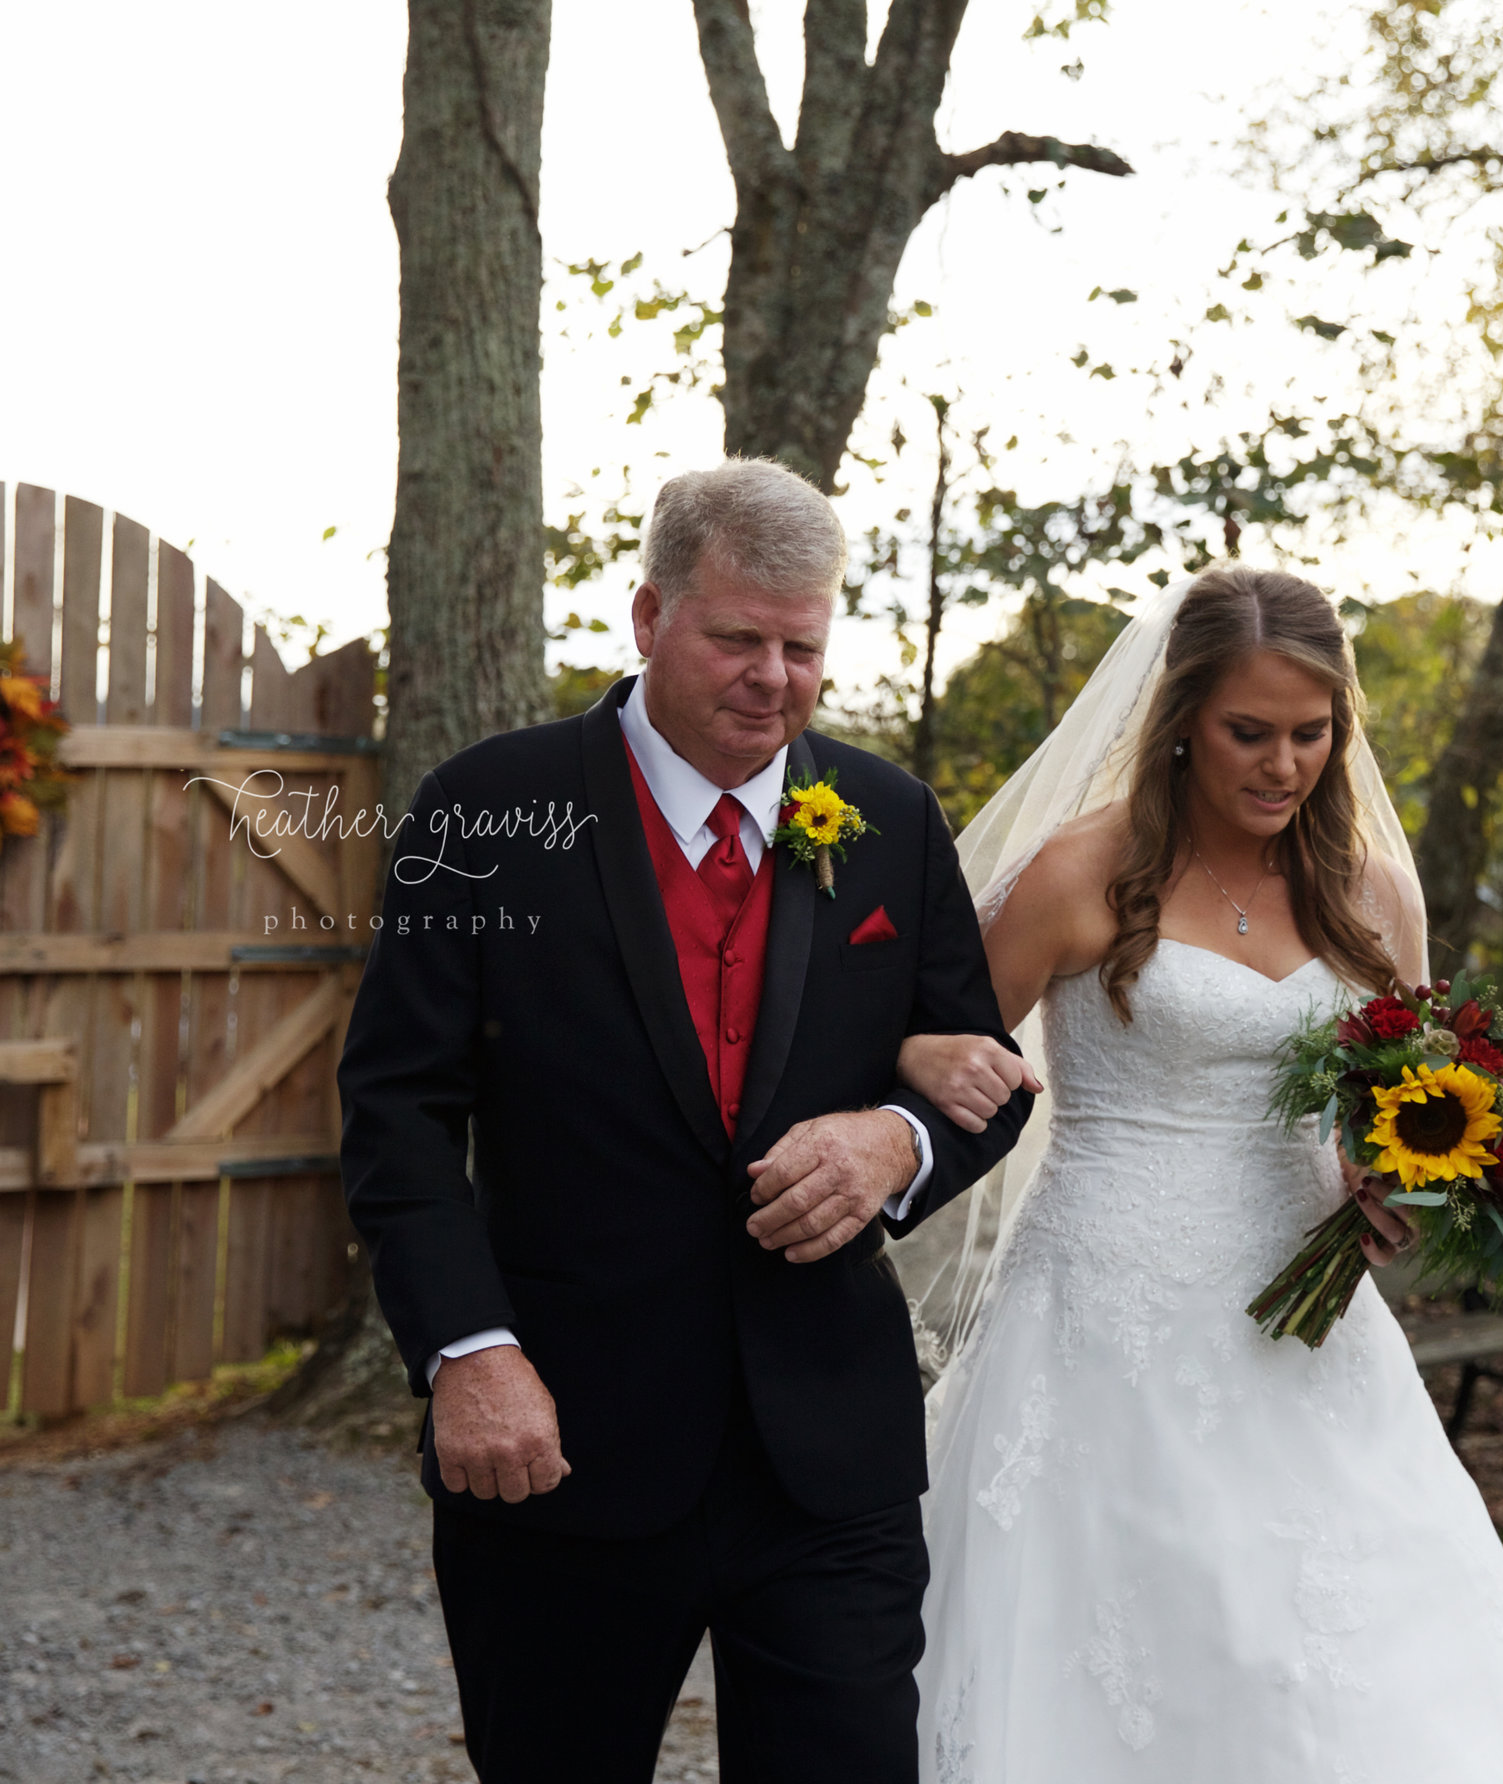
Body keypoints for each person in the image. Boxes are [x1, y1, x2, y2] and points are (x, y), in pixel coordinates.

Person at [336, 458, 1033, 1783]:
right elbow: (396, 1107)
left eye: (802, 648)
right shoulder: (487, 808)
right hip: (556, 1446)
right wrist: (470, 1352)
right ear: (651, 618)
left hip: (830, 1456)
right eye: (737, 640)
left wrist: (900, 1142)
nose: (774, 679)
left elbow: (980, 1077)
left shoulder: (889, 819)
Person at [891, 568, 1503, 1781]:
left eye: (1310, 733)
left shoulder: (1372, 892)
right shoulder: (1082, 872)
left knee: (1340, 1648)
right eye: (1249, 732)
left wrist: (1395, 1188)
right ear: (1180, 718)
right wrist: (914, 1045)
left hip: (1308, 1333)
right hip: (1104, 1324)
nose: (1283, 764)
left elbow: (1400, 1090)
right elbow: (926, 1041)